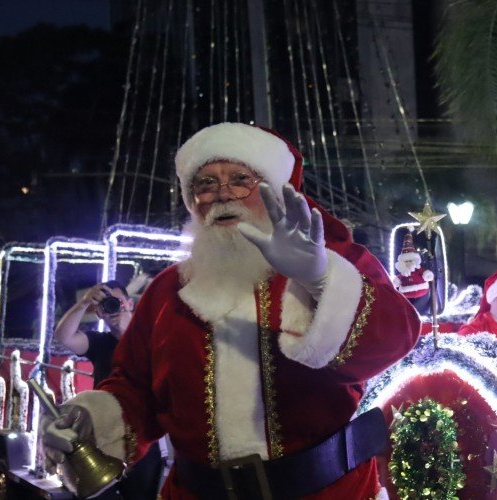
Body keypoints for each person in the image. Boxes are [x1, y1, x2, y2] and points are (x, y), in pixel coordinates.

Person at [42, 123, 421, 499]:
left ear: (276, 191)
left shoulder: (333, 263)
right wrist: (90, 419)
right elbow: (135, 388)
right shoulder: (167, 292)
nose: (223, 195)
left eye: (241, 179)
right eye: (205, 183)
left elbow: (397, 335)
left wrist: (320, 278)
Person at [53, 281, 164, 499]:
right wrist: (84, 303)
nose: (113, 308)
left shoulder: (151, 340)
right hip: (104, 438)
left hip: (143, 437)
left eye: (117, 301)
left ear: (129, 304)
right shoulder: (99, 342)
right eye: (106, 305)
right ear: (100, 313)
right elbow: (63, 336)